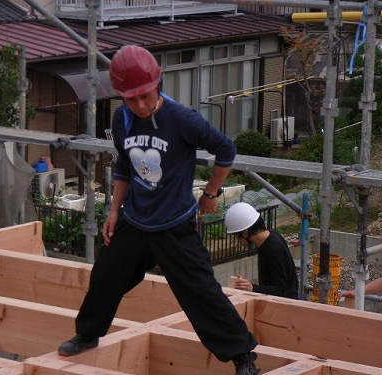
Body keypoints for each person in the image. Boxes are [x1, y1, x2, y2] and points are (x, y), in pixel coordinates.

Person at [58, 45, 260, 375]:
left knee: (201, 292)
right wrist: (114, 211)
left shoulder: (182, 119)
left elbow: (226, 150)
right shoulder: (122, 119)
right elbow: (124, 165)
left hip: (174, 223)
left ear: (158, 84)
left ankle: (242, 356)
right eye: (130, 99)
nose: (139, 105)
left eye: (145, 96)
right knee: (105, 277)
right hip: (136, 220)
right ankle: (87, 334)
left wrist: (211, 192)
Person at [224, 202, 299, 299]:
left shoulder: (273, 249)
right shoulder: (269, 238)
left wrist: (253, 288)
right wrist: (247, 286)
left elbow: (282, 290)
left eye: (236, 236)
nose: (238, 240)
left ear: (245, 231)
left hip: (286, 306)